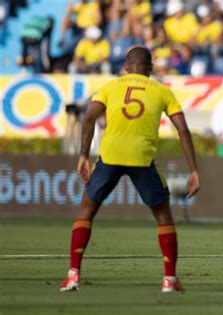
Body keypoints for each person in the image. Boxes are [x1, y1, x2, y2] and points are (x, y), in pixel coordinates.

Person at [60, 46, 200, 292]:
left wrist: (83, 155)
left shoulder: (110, 87)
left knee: (86, 211)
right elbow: (183, 130)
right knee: (164, 216)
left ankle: (73, 275)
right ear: (151, 68)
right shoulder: (162, 91)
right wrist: (194, 169)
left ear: (126, 67)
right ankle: (170, 280)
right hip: (142, 159)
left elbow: (89, 117)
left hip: (110, 156)